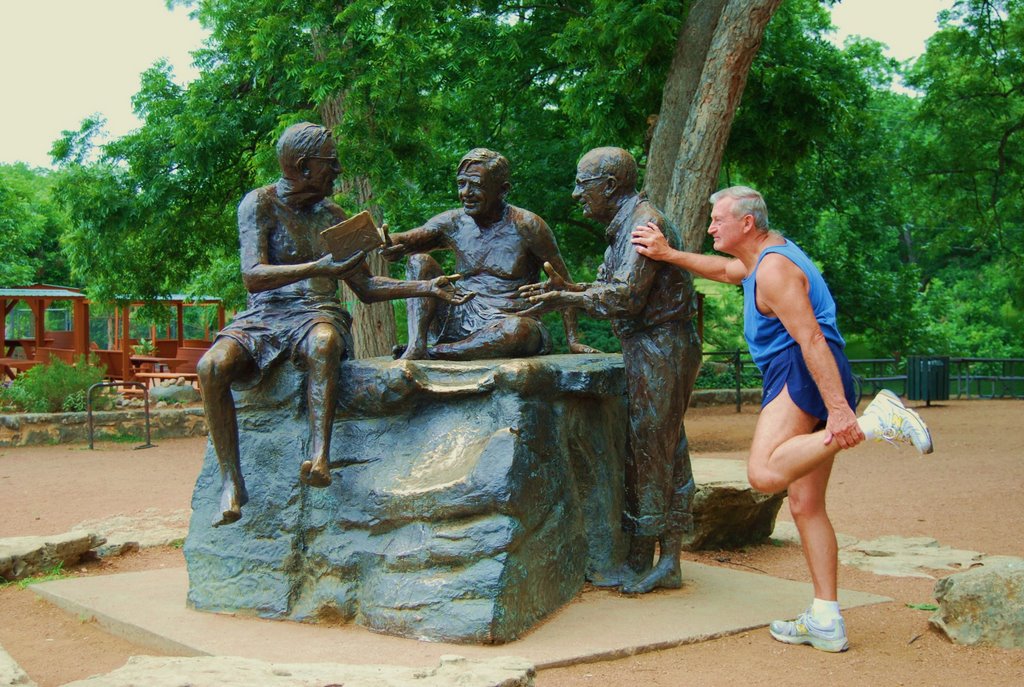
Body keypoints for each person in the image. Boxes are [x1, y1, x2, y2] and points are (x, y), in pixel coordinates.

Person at [631, 185, 933, 652]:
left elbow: (811, 338)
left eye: (718, 219)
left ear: (746, 223)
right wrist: (670, 254)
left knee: (765, 472)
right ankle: (827, 619)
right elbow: (730, 271)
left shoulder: (774, 270)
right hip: (815, 373)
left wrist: (841, 413)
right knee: (805, 505)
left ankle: (877, 422)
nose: (711, 226)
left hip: (803, 371)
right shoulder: (763, 258)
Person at [197, 122, 472, 527]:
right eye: (330, 163)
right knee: (211, 367)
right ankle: (231, 479)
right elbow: (252, 275)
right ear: (305, 167)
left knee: (324, 343)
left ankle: (321, 457)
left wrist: (426, 286)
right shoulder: (259, 204)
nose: (339, 169)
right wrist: (319, 265)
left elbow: (366, 286)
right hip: (264, 314)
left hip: (316, 311)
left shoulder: (335, 216)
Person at [519, 147, 701, 594]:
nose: (576, 192)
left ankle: (649, 557)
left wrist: (567, 299)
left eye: (583, 183)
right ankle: (659, 559)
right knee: (660, 445)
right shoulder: (621, 228)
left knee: (652, 447)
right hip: (650, 345)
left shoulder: (643, 226)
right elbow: (608, 289)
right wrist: (572, 289)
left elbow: (622, 298)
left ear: (610, 186)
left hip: (662, 346)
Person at [382, 148, 596, 360]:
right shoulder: (454, 223)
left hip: (510, 320)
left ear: (502, 190)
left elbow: (564, 284)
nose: (465, 193)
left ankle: (435, 352)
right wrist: (387, 243)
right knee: (419, 261)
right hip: (457, 316)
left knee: (518, 331)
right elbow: (406, 240)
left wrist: (573, 340)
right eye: (461, 183)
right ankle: (417, 345)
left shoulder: (528, 225)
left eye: (476, 185)